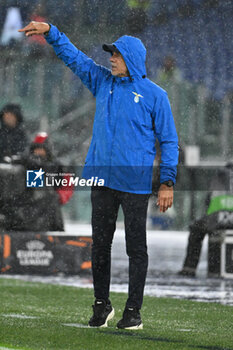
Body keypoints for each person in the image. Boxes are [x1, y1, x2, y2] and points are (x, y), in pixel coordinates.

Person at [19, 21, 179, 330]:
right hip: (101, 181)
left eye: (116, 55)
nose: (111, 59)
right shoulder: (102, 82)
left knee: (136, 249)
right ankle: (101, 305)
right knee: (100, 246)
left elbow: (169, 140)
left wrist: (167, 181)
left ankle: (133, 311)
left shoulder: (155, 95)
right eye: (110, 54)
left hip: (134, 183)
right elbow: (75, 58)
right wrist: (51, 31)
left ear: (131, 58)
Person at [0, 132, 73, 231]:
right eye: (36, 149)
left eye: (41, 149)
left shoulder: (57, 167)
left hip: (46, 212)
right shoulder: (28, 165)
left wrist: (59, 197)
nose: (38, 152)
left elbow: (66, 187)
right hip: (27, 209)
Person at [179, 163, 233, 278]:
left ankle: (189, 268)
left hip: (216, 221)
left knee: (196, 229)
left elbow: (208, 201)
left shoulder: (219, 175)